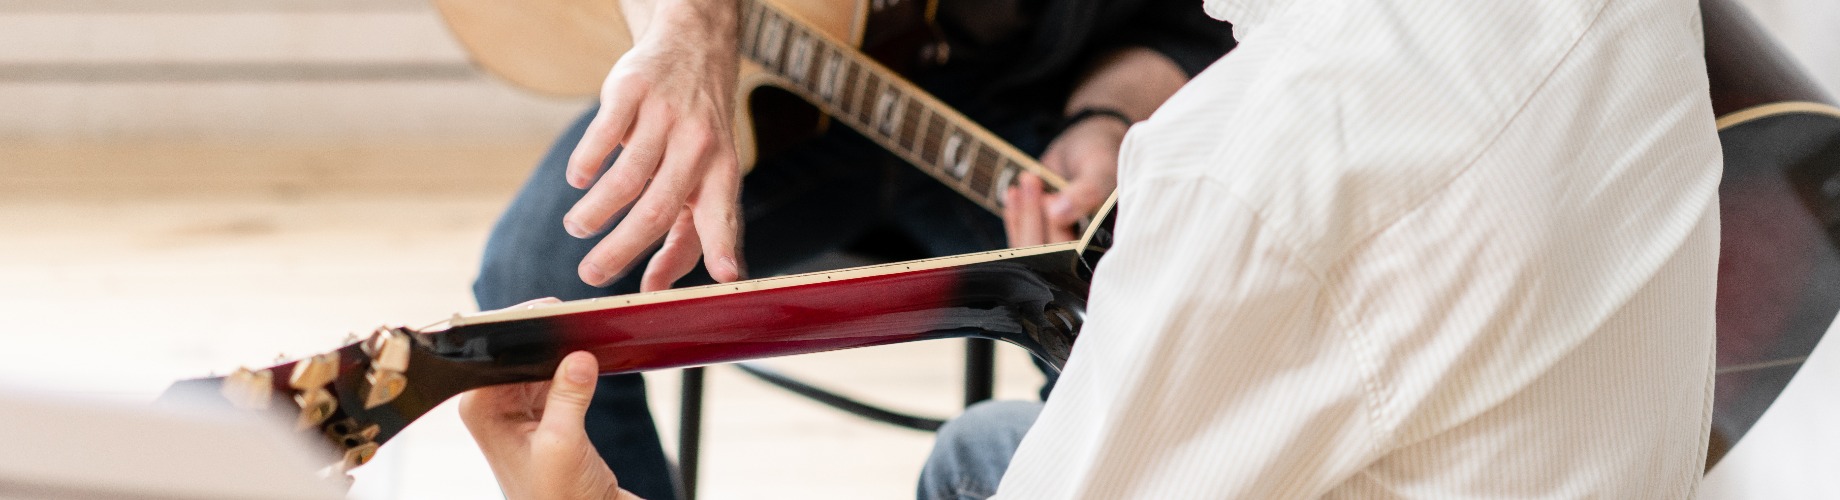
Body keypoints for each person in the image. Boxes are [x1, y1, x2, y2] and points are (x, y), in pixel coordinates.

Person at [466, 0, 1723, 497]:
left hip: (1039, 125)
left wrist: (1115, 120)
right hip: (775, 94)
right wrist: (690, 29)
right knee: (976, 451)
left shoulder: (1249, 179)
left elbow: (1186, 47)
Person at [470, 0, 1233, 498]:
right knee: (534, 284)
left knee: (1121, 331)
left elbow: (1182, 23)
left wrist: (1107, 115)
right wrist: (690, 23)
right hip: (756, 78)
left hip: (1026, 107)